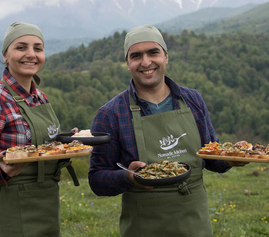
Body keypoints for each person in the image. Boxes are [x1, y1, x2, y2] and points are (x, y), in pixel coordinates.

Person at [88, 24, 247, 237]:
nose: (146, 62)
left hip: (195, 225)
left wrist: (231, 158)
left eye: (153, 53)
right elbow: (97, 180)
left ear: (166, 57)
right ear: (128, 63)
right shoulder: (111, 114)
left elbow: (211, 158)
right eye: (136, 56)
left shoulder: (193, 100)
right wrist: (128, 177)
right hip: (144, 228)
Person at [0, 22, 77, 237]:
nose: (31, 54)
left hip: (47, 203)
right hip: (11, 208)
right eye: (21, 47)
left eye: (38, 48)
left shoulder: (40, 97)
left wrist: (66, 144)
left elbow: (40, 148)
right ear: (5, 55)